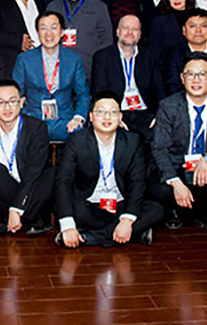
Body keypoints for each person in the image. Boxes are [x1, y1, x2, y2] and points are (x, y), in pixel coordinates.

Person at [151, 52, 207, 235]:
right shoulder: (168, 105)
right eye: (190, 74)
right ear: (182, 78)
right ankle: (174, 210)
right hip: (179, 164)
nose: (196, 79)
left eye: (203, 74)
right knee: (159, 188)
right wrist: (176, 183)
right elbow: (159, 149)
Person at [55, 91, 163, 247]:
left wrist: (127, 220)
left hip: (120, 204)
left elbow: (137, 182)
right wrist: (68, 226)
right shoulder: (77, 141)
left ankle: (88, 238)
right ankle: (133, 232)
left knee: (156, 210)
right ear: (91, 117)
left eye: (113, 112)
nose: (107, 117)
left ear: (120, 117)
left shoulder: (132, 141)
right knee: (76, 211)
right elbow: (63, 181)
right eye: (100, 112)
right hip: (89, 205)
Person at [0, 79, 54, 236]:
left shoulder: (37, 128)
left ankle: (13, 217)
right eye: (0, 103)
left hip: (32, 188)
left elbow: (34, 172)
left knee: (54, 174)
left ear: (21, 102)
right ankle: (32, 217)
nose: (7, 107)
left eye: (12, 101)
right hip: (4, 192)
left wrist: (16, 208)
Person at [12, 11, 90, 140]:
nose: (49, 33)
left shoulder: (74, 59)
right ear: (38, 32)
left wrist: (78, 117)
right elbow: (15, 94)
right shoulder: (24, 59)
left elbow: (83, 94)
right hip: (33, 119)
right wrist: (23, 116)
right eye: (43, 28)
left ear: (62, 32)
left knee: (81, 138)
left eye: (54, 27)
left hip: (66, 121)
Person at [91, 15, 162, 138]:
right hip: (117, 112)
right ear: (118, 32)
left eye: (135, 29)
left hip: (145, 113)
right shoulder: (102, 57)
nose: (130, 32)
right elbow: (99, 91)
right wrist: (113, 116)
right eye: (126, 28)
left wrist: (159, 115)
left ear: (140, 34)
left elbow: (159, 89)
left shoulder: (150, 57)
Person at [47, 0, 114, 83]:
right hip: (58, 73)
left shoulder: (99, 7)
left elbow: (106, 40)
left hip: (89, 71)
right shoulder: (53, 7)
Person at [147, 0, 193, 83]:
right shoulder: (159, 21)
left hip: (194, 72)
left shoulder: (196, 18)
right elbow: (154, 54)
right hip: (167, 74)